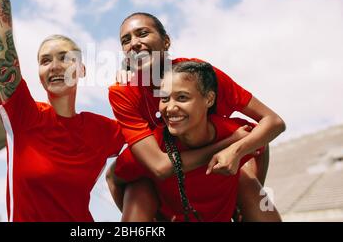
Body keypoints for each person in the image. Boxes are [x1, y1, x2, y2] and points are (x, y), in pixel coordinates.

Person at [0, 0, 124, 221]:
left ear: (82, 69)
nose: (55, 66)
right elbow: (4, 41)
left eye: (65, 58)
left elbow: (159, 142)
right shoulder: (23, 116)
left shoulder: (104, 131)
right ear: (38, 73)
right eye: (45, 60)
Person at [106, 12, 286, 221]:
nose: (134, 43)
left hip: (212, 167)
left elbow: (271, 124)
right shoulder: (124, 91)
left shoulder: (201, 75)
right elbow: (157, 167)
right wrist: (230, 142)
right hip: (163, 169)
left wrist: (235, 152)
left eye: (143, 33)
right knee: (127, 182)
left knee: (256, 197)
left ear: (166, 41)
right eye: (125, 40)